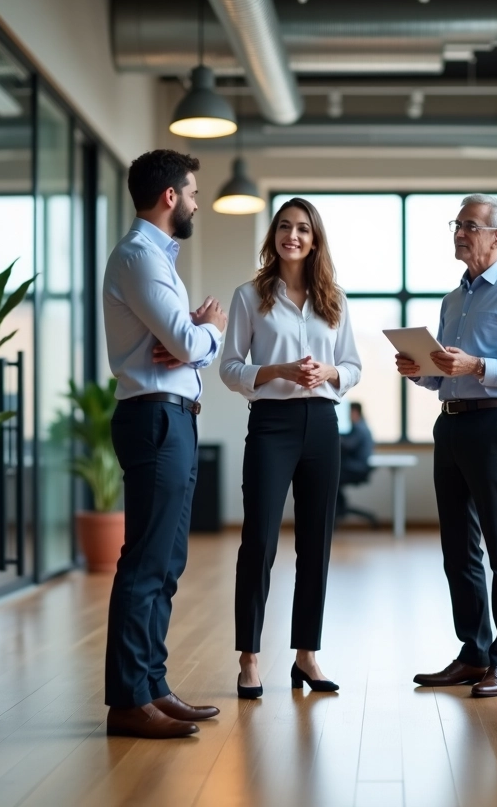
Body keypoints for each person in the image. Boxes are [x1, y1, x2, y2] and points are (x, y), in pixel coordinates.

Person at [101, 149, 228, 739]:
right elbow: (185, 342)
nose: (198, 200)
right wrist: (208, 331)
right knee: (146, 562)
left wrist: (184, 337)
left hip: (172, 416)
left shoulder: (158, 260)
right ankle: (128, 701)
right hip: (154, 417)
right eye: (194, 191)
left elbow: (177, 342)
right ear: (170, 196)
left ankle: (152, 685)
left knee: (167, 563)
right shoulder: (140, 257)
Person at [400, 194, 497, 698]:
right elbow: (446, 378)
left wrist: (479, 365)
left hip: (493, 427)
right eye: (456, 224)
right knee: (458, 548)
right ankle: (474, 652)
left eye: (470, 225)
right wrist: (421, 371)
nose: (460, 232)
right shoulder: (452, 300)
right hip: (452, 424)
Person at [218, 197, 362, 699]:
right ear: (273, 236)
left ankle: (307, 656)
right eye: (284, 227)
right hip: (272, 423)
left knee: (315, 544)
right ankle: (250, 658)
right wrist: (277, 371)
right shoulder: (248, 296)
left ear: (315, 239)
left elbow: (354, 367)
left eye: (303, 228)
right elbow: (229, 368)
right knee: (258, 540)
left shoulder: (334, 300)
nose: (293, 236)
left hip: (323, 422)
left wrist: (330, 372)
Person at [337, 402, 374, 518]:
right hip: (356, 467)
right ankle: (339, 508)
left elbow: (349, 445)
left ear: (355, 412)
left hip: (355, 468)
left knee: (328, 477)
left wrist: (334, 436)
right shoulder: (361, 426)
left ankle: (339, 510)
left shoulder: (359, 428)